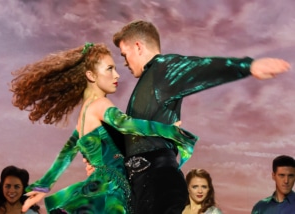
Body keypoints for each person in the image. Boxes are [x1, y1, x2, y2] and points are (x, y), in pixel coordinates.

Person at [102, 19, 290, 214]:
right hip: (143, 188)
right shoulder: (148, 84)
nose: (124, 62)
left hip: (159, 184)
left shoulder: (162, 69)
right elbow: (132, 139)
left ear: (138, 46)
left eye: (125, 54)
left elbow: (199, 68)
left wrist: (247, 66)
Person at [10, 42, 197, 214]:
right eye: (110, 69)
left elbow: (65, 156)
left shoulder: (83, 116)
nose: (117, 75)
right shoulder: (101, 105)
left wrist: (44, 186)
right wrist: (169, 130)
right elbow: (128, 125)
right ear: (91, 75)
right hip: (114, 191)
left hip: (100, 187)